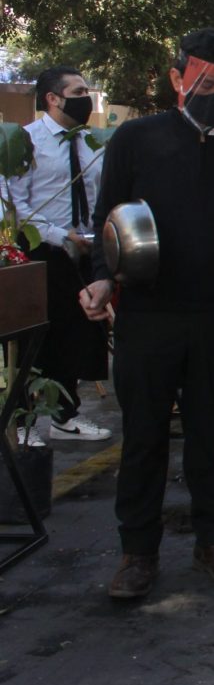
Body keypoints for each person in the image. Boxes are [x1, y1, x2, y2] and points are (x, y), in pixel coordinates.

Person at [82, 28, 214, 599]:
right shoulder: (136, 140)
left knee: (207, 433)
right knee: (143, 435)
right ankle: (137, 554)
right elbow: (105, 220)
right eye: (207, 84)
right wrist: (101, 278)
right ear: (177, 79)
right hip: (148, 313)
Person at [8, 67, 110, 443]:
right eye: (78, 92)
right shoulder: (26, 142)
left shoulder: (90, 142)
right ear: (53, 98)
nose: (86, 98)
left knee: (76, 335)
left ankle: (65, 417)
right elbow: (17, 205)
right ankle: (23, 426)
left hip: (84, 250)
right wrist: (58, 234)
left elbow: (98, 195)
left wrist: (97, 236)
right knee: (35, 340)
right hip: (42, 250)